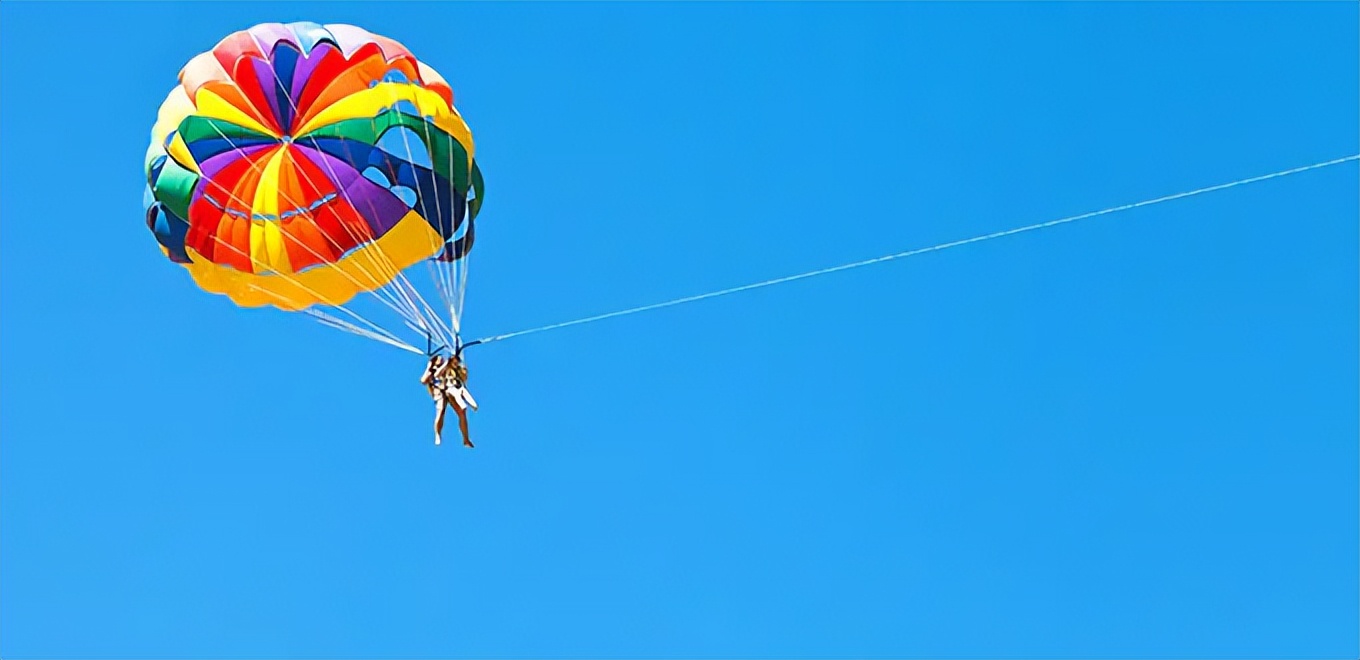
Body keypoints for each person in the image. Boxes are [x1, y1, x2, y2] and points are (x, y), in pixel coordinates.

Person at [421, 353, 478, 447]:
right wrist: (429, 366)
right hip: (439, 393)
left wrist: (458, 364)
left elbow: (459, 377)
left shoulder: (448, 369)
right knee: (441, 412)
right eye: (439, 359)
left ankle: (465, 438)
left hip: (449, 391)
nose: (442, 359)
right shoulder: (432, 371)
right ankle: (437, 434)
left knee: (462, 412)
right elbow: (424, 380)